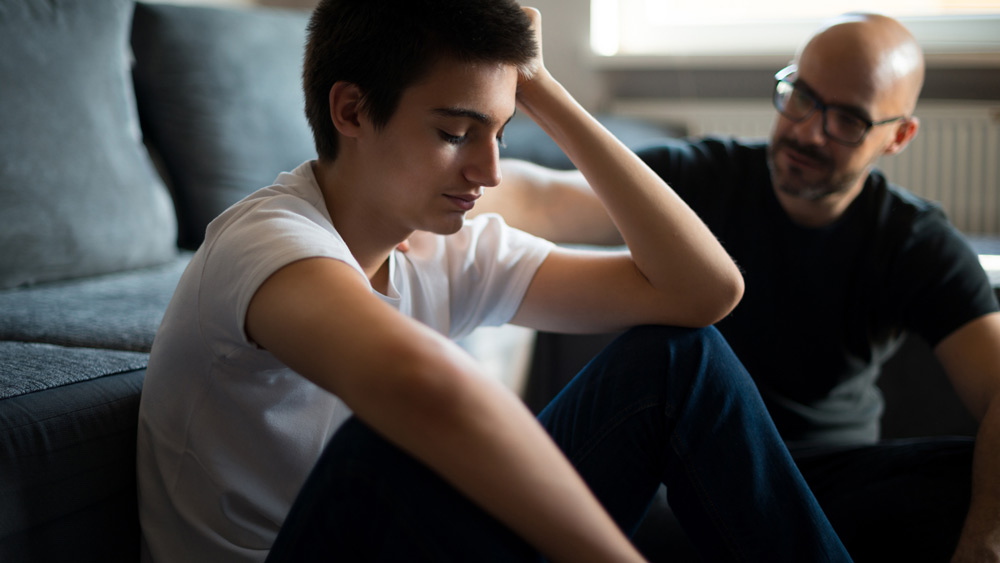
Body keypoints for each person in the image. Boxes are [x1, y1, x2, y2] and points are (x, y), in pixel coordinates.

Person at [135, 1, 855, 562]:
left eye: (500, 133)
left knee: (680, 362)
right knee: (392, 440)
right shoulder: (268, 242)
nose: (489, 172)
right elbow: (425, 387)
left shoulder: (449, 247)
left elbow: (705, 292)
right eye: (455, 132)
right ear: (350, 109)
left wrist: (543, 88)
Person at [477, 12, 1000, 563]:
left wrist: (985, 542)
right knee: (678, 361)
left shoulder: (914, 240)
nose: (806, 131)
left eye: (846, 119)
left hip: (824, 487)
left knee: (972, 479)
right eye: (800, 96)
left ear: (898, 136)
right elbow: (546, 199)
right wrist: (437, 182)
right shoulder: (709, 176)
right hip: (686, 479)